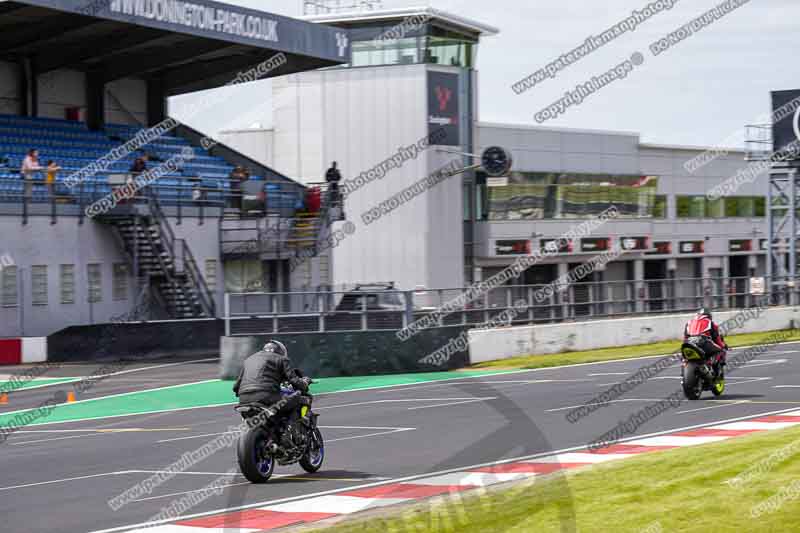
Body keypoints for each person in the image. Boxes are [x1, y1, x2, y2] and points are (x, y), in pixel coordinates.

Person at [232, 340, 312, 442]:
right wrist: (304, 384)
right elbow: (293, 380)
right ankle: (288, 434)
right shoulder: (281, 359)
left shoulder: (248, 360)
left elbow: (236, 387)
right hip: (266, 396)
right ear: (281, 351)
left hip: (243, 399)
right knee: (298, 398)